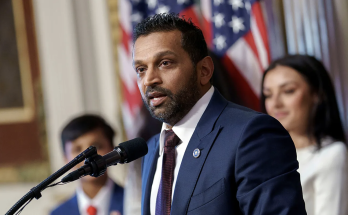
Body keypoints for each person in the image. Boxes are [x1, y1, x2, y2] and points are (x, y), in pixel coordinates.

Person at [133, 13, 306, 215]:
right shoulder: (152, 147)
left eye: (165, 63)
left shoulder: (253, 134)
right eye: (141, 69)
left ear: (204, 70)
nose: (149, 80)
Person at [261, 54, 348, 215]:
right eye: (268, 95)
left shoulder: (331, 155)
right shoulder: (262, 155)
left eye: (288, 91)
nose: (275, 104)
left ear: (317, 94)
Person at [51, 114, 123, 215]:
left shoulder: (134, 200)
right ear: (66, 159)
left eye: (97, 146)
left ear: (112, 150)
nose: (87, 158)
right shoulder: (58, 213)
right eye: (77, 149)